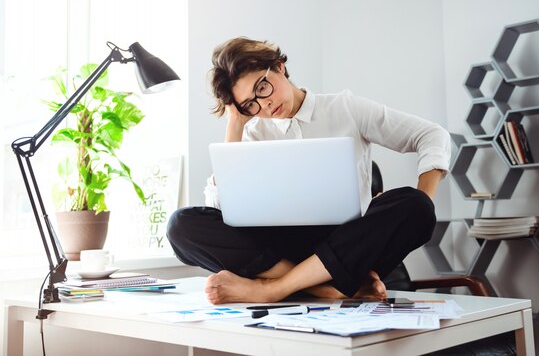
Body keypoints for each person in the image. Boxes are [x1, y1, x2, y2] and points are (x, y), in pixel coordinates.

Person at [167, 37, 450, 305]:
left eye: (262, 88)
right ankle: (322, 287)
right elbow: (222, 212)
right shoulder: (253, 133)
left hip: (350, 243)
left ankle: (274, 288)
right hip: (283, 248)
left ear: (279, 67)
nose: (264, 105)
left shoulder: (345, 107)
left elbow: (432, 135)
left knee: (416, 206)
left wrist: (425, 197)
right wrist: (235, 125)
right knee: (181, 225)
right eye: (250, 105)